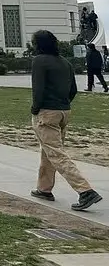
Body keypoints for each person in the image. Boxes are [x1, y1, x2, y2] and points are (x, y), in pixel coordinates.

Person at [28, 29, 102, 210]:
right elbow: (73, 90)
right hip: (63, 111)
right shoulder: (65, 62)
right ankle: (44, 188)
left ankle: (85, 191)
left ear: (38, 44)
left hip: (46, 112)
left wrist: (35, 108)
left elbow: (38, 89)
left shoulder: (39, 61)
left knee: (56, 153)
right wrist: (63, 103)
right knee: (49, 150)